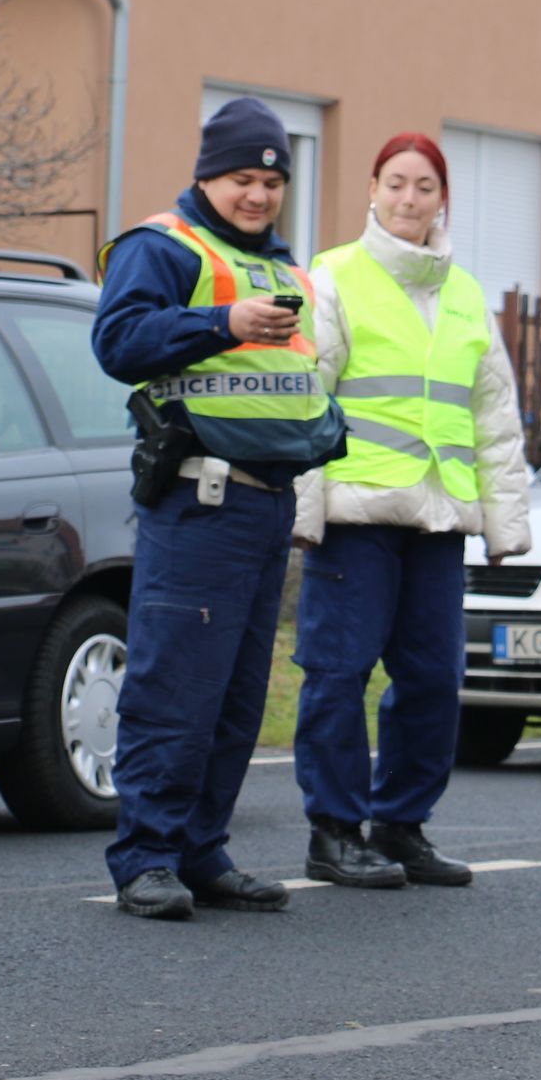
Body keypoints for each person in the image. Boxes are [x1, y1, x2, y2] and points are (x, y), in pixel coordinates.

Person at [90, 96, 347, 922]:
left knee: (236, 697)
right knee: (177, 688)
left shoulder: (284, 268)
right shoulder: (164, 247)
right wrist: (220, 321)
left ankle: (201, 849)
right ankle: (146, 857)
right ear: (208, 175)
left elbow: (296, 381)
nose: (258, 196)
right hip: (200, 503)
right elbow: (118, 342)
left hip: (268, 506)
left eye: (272, 182)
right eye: (242, 178)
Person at [291, 134, 531, 889]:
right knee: (339, 671)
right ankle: (333, 832)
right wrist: (302, 509)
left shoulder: (464, 293)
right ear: (371, 190)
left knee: (432, 679)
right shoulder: (333, 275)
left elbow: (495, 416)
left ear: (442, 200)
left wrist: (506, 522)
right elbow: (304, 396)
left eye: (424, 186)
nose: (408, 199)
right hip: (356, 513)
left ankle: (401, 825)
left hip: (438, 521)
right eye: (396, 183)